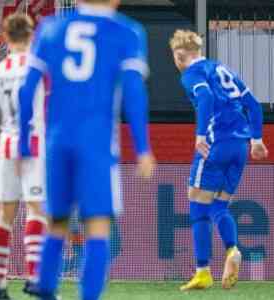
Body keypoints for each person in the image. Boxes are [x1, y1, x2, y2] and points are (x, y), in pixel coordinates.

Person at [18, 1, 156, 299]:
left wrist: (22, 143)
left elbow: (27, 88)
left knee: (56, 222)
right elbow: (133, 92)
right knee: (97, 226)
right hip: (96, 143)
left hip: (57, 141)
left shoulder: (51, 27)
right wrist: (143, 147)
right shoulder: (127, 31)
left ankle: (46, 289)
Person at [170, 30, 269, 291]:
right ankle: (232, 249)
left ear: (180, 55)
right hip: (240, 147)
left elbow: (205, 97)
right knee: (219, 204)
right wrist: (256, 140)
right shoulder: (222, 68)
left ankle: (203, 271)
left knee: (195, 198)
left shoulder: (191, 74)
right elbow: (254, 105)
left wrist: (200, 134)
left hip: (215, 145)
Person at [0, 13, 47, 300]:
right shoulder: (42, 68)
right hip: (35, 145)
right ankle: (34, 277)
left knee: (5, 216)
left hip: (6, 147)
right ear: (32, 36)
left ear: (5, 38)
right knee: (36, 211)